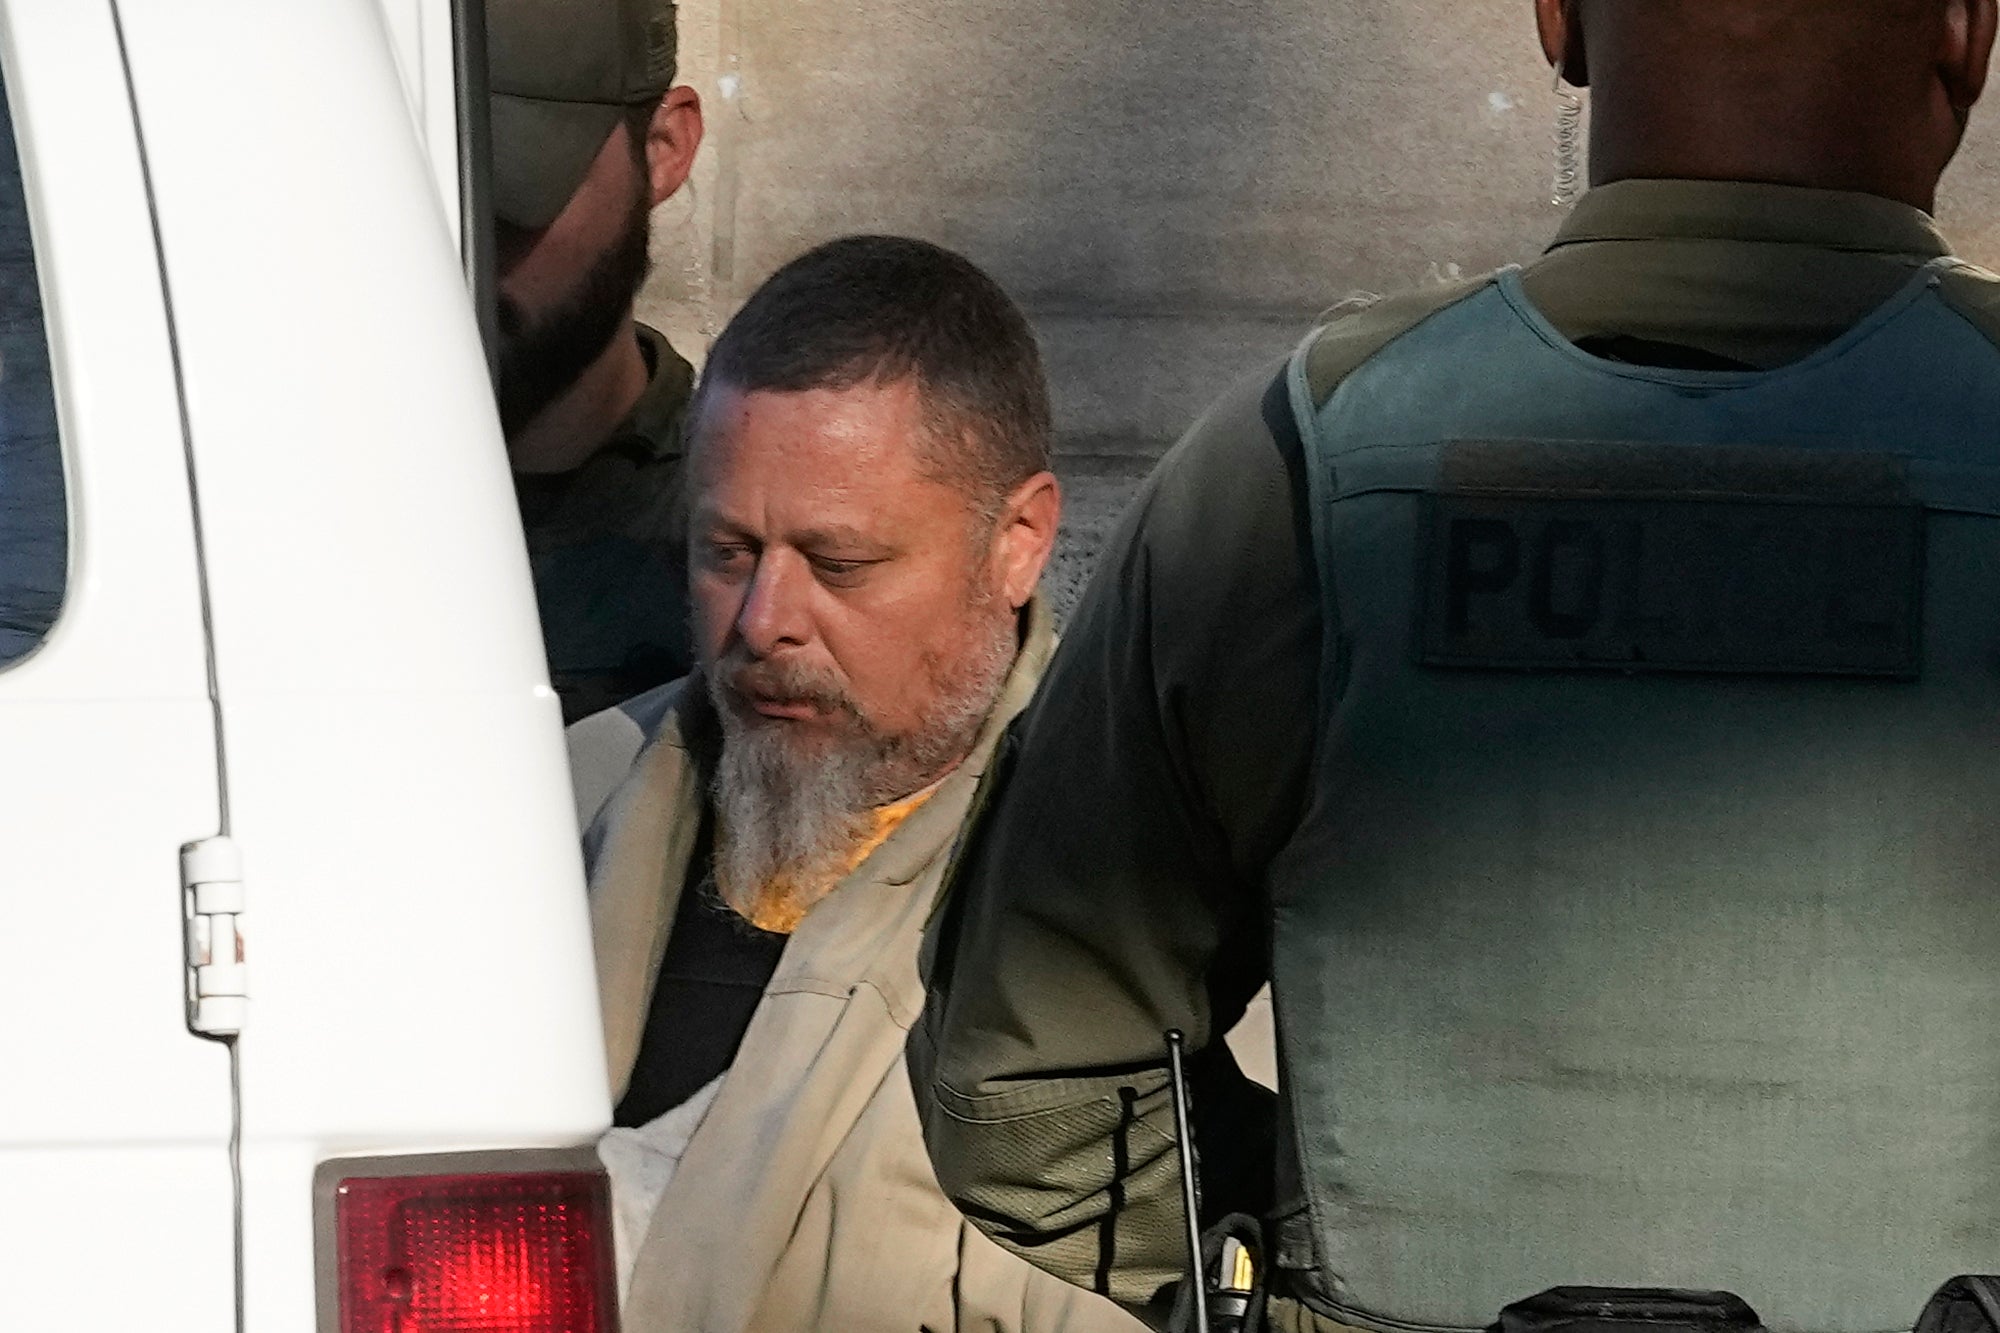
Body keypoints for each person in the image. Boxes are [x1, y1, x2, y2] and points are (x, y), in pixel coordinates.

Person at [909, 3, 2000, 1332]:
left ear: (1558, 22)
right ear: (1967, 32)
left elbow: (1026, 1097)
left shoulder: (1299, 464)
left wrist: (1307, 1275)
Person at [571, 235, 1146, 1333]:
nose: (762, 622)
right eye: (725, 551)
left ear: (1017, 542)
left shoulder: (1147, 909)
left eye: (838, 564)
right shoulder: (538, 821)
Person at [487, 0, 704, 722]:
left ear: (664, 148)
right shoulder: (261, 501)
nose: (464, 241)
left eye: (515, 194)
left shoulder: (746, 535)